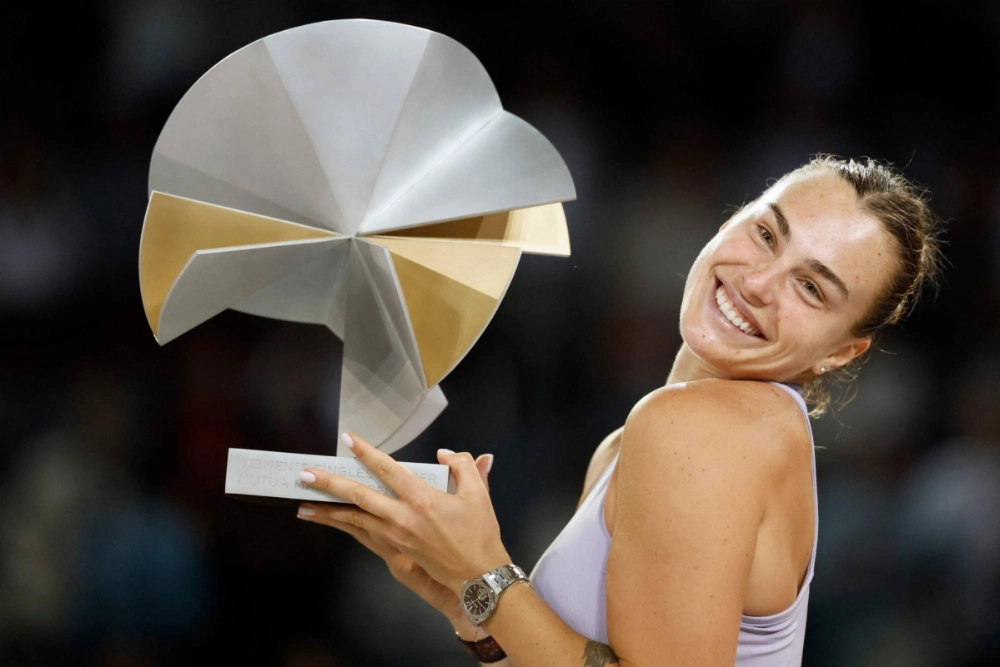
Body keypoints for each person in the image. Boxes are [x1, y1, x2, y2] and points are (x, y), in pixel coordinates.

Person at [293, 155, 946, 666]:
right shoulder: (642, 440)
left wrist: (483, 572)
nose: (757, 283)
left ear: (842, 351)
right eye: (767, 232)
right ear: (730, 219)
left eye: (810, 287)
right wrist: (470, 606)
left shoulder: (698, 430)